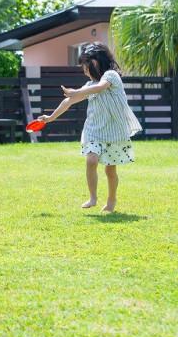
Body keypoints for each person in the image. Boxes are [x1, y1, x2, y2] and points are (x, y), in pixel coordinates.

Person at [38, 43, 142, 212]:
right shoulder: (88, 86)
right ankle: (93, 197)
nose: (84, 71)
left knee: (110, 170)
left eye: (85, 67)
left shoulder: (111, 75)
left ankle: (111, 200)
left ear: (94, 62)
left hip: (114, 130)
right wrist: (50, 118)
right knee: (91, 160)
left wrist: (76, 92)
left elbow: (101, 88)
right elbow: (68, 101)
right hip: (94, 129)